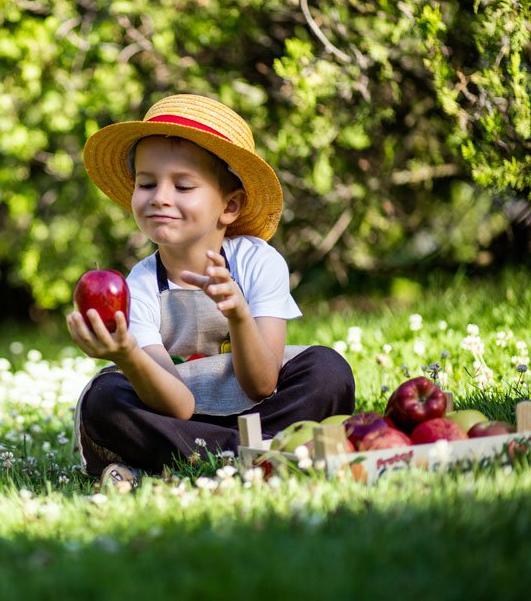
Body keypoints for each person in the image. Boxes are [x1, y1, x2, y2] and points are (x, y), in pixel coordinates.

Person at [68, 94, 355, 486]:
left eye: (183, 186)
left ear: (230, 206)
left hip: (258, 407)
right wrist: (127, 355)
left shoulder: (258, 263)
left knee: (327, 369)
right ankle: (260, 454)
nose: (160, 198)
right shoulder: (138, 286)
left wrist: (238, 314)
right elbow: (180, 406)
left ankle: (184, 462)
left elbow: (263, 383)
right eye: (146, 183)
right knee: (104, 396)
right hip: (177, 418)